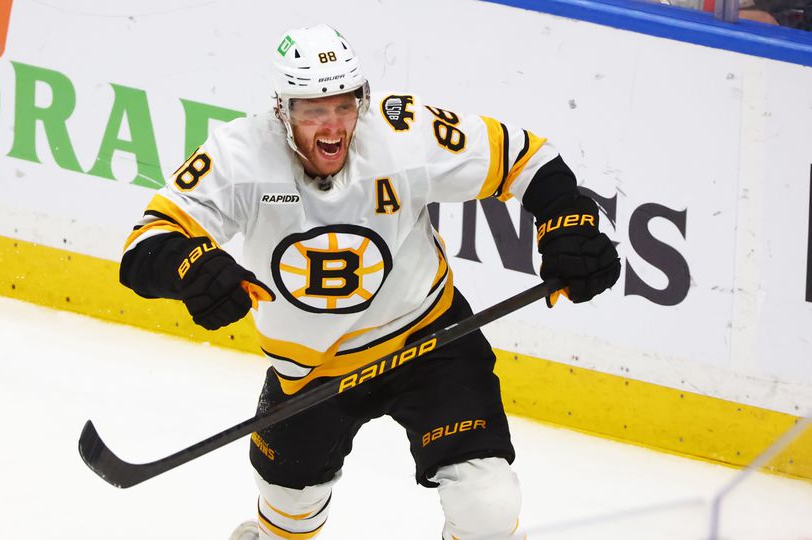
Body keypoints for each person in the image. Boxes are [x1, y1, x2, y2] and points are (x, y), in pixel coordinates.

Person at [119, 24, 620, 540]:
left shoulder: (403, 132)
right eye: (313, 110)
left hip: (428, 340)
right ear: (282, 110)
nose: (333, 125)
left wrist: (568, 220)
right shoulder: (239, 154)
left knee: (487, 506)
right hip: (311, 369)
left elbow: (524, 157)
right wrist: (191, 267)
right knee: (288, 509)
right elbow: (146, 242)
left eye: (345, 105)